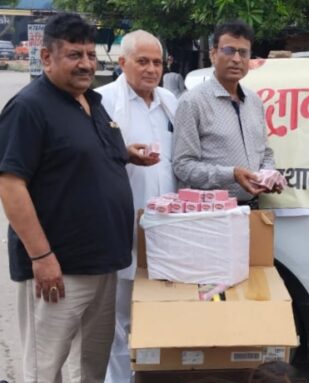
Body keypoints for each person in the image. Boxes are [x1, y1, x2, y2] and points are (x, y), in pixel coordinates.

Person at [0, 13, 156, 382]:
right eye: (74, 55)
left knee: (90, 366)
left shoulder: (92, 101)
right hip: (58, 271)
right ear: (47, 58)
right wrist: (42, 257)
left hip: (103, 264)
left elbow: (86, 153)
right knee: (44, 368)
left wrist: (127, 153)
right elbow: (10, 184)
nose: (86, 63)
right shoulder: (29, 108)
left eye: (89, 53)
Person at [95, 29, 178, 383]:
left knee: (159, 315)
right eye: (142, 61)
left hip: (167, 232)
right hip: (120, 229)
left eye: (157, 62)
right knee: (118, 320)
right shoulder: (101, 102)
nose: (151, 69)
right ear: (122, 62)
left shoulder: (171, 102)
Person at [173, 20, 278, 207]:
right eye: (229, 50)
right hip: (212, 212)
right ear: (213, 54)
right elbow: (183, 165)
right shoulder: (192, 101)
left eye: (243, 52)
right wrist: (231, 174)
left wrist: (267, 175)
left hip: (253, 207)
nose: (237, 59)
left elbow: (266, 153)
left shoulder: (254, 101)